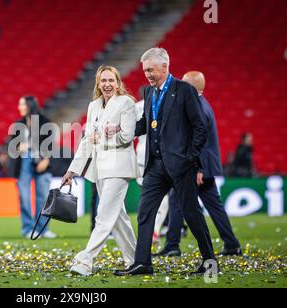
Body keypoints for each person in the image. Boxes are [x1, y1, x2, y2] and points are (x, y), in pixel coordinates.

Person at [111, 48, 216, 276]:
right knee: (145, 212)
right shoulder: (150, 93)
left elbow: (200, 127)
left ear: (164, 67)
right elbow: (145, 124)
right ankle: (143, 263)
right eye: (145, 70)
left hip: (181, 165)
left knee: (191, 213)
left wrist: (190, 158)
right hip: (155, 166)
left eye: (150, 70)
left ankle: (210, 261)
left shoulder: (185, 90)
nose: (147, 74)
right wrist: (121, 129)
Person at [154, 71, 242, 257]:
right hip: (204, 166)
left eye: (184, 84)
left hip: (197, 168)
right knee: (212, 205)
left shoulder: (197, 106)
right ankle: (231, 243)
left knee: (177, 202)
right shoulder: (204, 104)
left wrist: (199, 169)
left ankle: (172, 244)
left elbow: (199, 138)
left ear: (191, 87)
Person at [61, 65, 138, 276]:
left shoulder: (126, 103)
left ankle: (85, 260)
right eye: (103, 81)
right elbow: (87, 141)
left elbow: (127, 137)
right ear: (98, 84)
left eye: (111, 80)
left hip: (119, 167)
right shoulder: (94, 106)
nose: (107, 84)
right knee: (118, 218)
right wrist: (72, 171)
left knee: (103, 216)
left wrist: (104, 136)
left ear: (118, 82)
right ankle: (136, 260)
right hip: (100, 169)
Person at [12, 96, 56, 239]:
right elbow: (12, 148)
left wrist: (46, 159)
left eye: (22, 104)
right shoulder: (18, 123)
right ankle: (28, 228)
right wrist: (19, 147)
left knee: (42, 196)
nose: (19, 107)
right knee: (24, 196)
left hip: (42, 159)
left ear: (29, 105)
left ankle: (43, 228)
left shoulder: (44, 121)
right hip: (24, 160)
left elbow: (50, 143)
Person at [135, 86, 169, 244]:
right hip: (156, 155)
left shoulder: (136, 107)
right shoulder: (162, 104)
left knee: (148, 195)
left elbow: (131, 131)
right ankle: (153, 230)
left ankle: (148, 230)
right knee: (162, 198)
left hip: (141, 155)